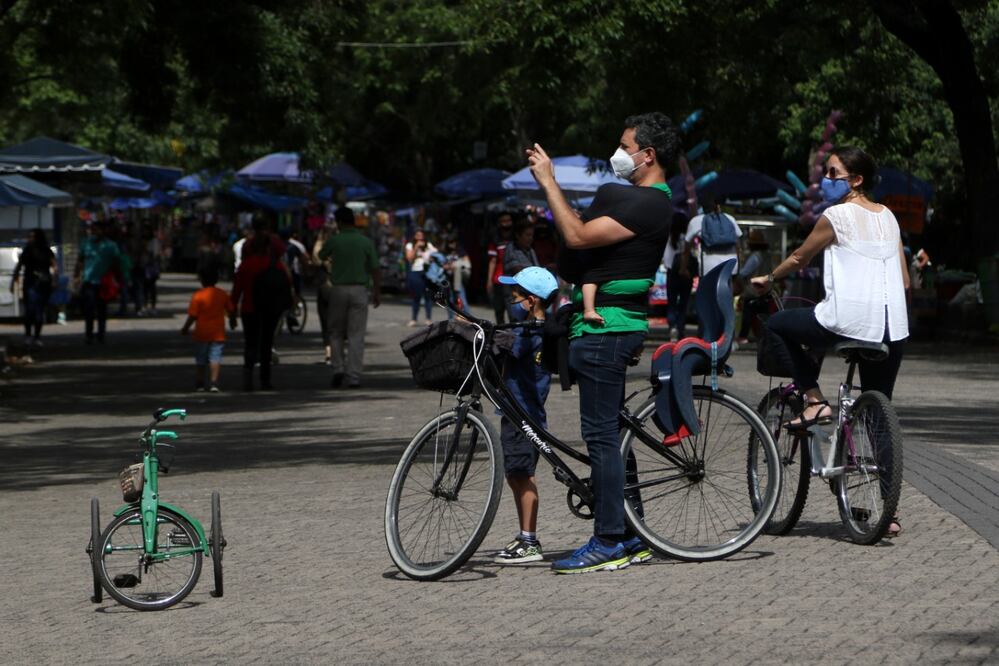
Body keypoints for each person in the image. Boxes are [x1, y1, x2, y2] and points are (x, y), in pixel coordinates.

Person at [529, 111, 676, 573]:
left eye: (625, 145)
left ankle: (609, 539)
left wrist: (548, 181)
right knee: (608, 435)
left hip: (607, 331)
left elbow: (575, 235)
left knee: (599, 437)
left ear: (647, 155)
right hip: (605, 328)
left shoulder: (649, 203)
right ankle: (631, 532)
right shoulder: (638, 200)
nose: (618, 154)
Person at [751, 146, 908, 537]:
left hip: (847, 321)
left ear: (855, 180)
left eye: (834, 173)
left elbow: (801, 258)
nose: (826, 179)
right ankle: (888, 512)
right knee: (878, 418)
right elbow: (905, 281)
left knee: (780, 325)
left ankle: (815, 400)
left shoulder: (835, 216)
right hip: (893, 328)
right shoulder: (889, 216)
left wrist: (768, 279)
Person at [492, 266, 558, 564]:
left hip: (524, 416)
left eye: (516, 296)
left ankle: (529, 540)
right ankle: (525, 536)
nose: (512, 302)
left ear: (531, 301)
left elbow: (507, 347)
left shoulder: (532, 333)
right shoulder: (533, 329)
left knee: (522, 475)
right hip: (519, 414)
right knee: (515, 475)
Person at [318, 206, 381, 388]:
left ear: (338, 222)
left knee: (336, 332)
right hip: (360, 291)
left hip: (338, 290)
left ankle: (338, 368)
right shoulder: (365, 242)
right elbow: (375, 268)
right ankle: (353, 376)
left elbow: (321, 256)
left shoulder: (335, 240)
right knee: (356, 335)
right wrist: (377, 291)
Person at [229, 218, 292, 391]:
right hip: (271, 309)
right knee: (266, 342)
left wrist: (232, 312)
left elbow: (236, 292)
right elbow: (286, 282)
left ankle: (247, 378)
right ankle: (265, 380)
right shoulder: (276, 265)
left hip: (250, 308)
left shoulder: (245, 266)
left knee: (250, 343)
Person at [180, 266, 233, 392]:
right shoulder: (222, 294)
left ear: (202, 280)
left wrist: (185, 328)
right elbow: (231, 310)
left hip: (202, 333)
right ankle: (214, 383)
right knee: (215, 358)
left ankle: (200, 382)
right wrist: (233, 320)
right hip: (218, 333)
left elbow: (193, 315)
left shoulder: (198, 296)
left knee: (201, 359)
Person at [74, 221, 121, 344]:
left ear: (103, 231)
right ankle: (89, 334)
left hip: (103, 283)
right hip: (89, 281)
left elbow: (116, 263)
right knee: (89, 309)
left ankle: (101, 334)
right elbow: (80, 260)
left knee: (102, 309)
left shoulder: (111, 245)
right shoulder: (86, 243)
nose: (93, 232)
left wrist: (117, 280)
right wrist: (76, 276)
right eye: (92, 230)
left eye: (96, 230)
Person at [10, 229, 57, 348]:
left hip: (43, 283)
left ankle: (36, 336)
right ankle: (28, 335)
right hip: (30, 282)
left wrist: (55, 280)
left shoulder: (46, 251)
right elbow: (19, 265)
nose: (30, 239)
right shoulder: (27, 250)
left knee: (39, 311)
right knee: (30, 309)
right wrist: (13, 281)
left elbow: (54, 265)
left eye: (32, 237)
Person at [684, 193, 742, 277]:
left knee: (707, 290)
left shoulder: (696, 221)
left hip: (708, 268)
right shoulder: (730, 218)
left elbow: (686, 248)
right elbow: (738, 246)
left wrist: (683, 268)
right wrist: (738, 270)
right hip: (730, 267)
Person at [735, 229, 773, 345]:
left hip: (752, 291)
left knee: (748, 315)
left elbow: (745, 272)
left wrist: (737, 276)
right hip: (766, 290)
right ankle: (765, 336)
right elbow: (771, 272)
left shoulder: (755, 257)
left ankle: (743, 337)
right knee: (765, 316)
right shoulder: (767, 256)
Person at [665, 211, 694, 341]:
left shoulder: (668, 236)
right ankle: (680, 330)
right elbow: (689, 255)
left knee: (671, 303)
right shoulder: (686, 238)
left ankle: (672, 328)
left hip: (671, 272)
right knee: (683, 304)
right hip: (685, 273)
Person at [502, 217, 540, 317]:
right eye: (527, 235)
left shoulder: (530, 251)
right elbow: (519, 271)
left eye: (532, 235)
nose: (531, 238)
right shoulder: (511, 249)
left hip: (531, 297)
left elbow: (538, 270)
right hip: (515, 296)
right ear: (518, 235)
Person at [312, 224, 336, 364]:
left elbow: (315, 260)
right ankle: (336, 350)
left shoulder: (319, 247)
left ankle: (328, 350)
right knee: (337, 321)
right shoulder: (338, 246)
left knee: (325, 319)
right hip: (338, 286)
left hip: (324, 286)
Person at [485, 213, 515, 324]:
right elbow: (492, 261)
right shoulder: (495, 240)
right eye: (504, 221)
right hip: (498, 280)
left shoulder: (515, 239)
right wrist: (489, 281)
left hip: (513, 280)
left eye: (509, 220)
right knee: (499, 311)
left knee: (513, 312)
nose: (506, 223)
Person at [403, 229, 436, 327]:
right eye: (418, 235)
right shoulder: (409, 245)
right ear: (414, 236)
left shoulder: (429, 245)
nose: (420, 237)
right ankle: (414, 319)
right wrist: (416, 247)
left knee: (428, 297)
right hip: (415, 272)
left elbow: (436, 255)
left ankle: (428, 319)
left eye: (421, 235)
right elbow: (409, 258)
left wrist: (429, 256)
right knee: (416, 297)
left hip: (428, 273)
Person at [443, 238, 471, 319]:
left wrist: (455, 265)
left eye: (453, 242)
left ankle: (469, 319)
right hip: (447, 279)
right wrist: (448, 266)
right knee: (449, 301)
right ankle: (451, 320)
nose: (451, 244)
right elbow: (442, 265)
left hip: (458, 280)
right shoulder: (445, 253)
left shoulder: (461, 252)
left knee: (462, 299)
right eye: (449, 242)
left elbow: (467, 264)